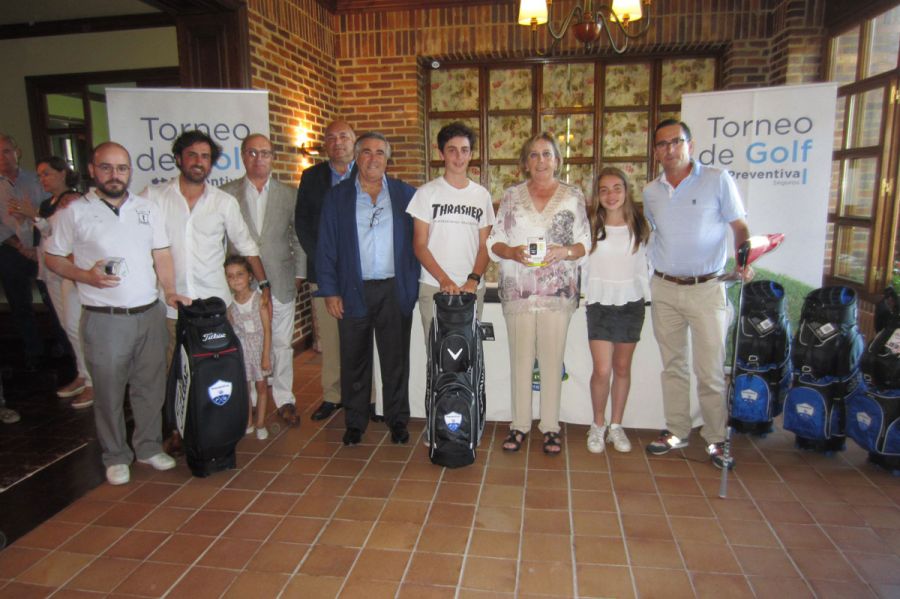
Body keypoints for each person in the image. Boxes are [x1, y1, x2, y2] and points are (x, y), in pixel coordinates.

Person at [45, 142, 188, 485]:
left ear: (129, 171)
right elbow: (52, 257)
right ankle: (115, 455)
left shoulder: (146, 209)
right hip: (104, 317)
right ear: (92, 170)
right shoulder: (74, 212)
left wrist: (168, 291)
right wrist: (86, 276)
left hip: (149, 312)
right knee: (108, 390)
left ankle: (149, 447)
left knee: (150, 386)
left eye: (121, 168)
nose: (115, 175)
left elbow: (161, 253)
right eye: (106, 167)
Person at [144, 130, 270, 452]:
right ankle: (177, 430)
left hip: (215, 307)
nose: (199, 162)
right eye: (192, 155)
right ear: (178, 159)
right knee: (175, 371)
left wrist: (264, 283)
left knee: (215, 369)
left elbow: (246, 244)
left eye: (205, 157)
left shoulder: (223, 203)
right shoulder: (153, 198)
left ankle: (215, 425)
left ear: (211, 164)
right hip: (173, 305)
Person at [643, 119, 752, 469]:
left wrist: (744, 260)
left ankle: (716, 440)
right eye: (662, 144)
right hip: (664, 287)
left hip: (707, 287)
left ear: (690, 144)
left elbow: (740, 227)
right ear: (656, 150)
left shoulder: (717, 180)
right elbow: (654, 233)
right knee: (673, 366)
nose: (669, 149)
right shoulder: (651, 192)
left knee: (710, 371)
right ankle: (676, 430)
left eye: (676, 142)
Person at [487, 132, 590, 456]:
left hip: (557, 292)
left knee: (550, 361)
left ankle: (550, 427)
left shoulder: (573, 196)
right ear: (526, 162)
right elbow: (494, 242)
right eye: (534, 155)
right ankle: (519, 425)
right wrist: (512, 252)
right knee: (520, 361)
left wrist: (565, 252)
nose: (540, 160)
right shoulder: (512, 195)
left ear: (557, 160)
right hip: (518, 291)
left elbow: (585, 244)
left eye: (546, 154)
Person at [316, 132, 419, 446]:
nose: (373, 159)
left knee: (395, 360)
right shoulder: (338, 197)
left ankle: (397, 419)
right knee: (354, 360)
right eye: (366, 153)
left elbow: (422, 242)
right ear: (356, 157)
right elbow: (326, 247)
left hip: (393, 289)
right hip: (352, 290)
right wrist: (331, 292)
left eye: (380, 153)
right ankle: (355, 422)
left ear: (388, 160)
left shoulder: (405, 195)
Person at [221, 134, 304, 427]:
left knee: (281, 342)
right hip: (241, 285)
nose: (259, 159)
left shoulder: (289, 194)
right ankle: (251, 401)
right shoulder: (225, 193)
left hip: (280, 281)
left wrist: (299, 274)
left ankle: (284, 398)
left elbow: (298, 236)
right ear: (243, 156)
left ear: (273, 158)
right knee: (245, 343)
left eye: (265, 153)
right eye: (253, 153)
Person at [407, 121, 494, 346]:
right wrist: (443, 279)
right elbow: (419, 244)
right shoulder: (426, 194)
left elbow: (486, 246)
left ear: (471, 154)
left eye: (464, 150)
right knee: (438, 360)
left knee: (468, 358)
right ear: (441, 153)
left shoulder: (481, 196)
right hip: (434, 286)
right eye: (452, 150)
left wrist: (473, 280)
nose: (459, 157)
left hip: (472, 289)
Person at [584, 166, 650, 454]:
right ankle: (597, 425)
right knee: (602, 369)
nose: (611, 195)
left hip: (631, 304)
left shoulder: (641, 226)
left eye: (616, 188)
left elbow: (648, 266)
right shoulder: (590, 227)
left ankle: (616, 426)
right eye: (604, 190)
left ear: (626, 191)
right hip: (599, 303)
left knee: (622, 368)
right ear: (597, 196)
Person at [296, 120, 356, 421]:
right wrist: (324, 260)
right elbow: (303, 224)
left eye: (344, 136)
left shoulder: (370, 172)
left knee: (361, 337)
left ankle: (365, 397)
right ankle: (333, 396)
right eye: (331, 138)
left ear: (354, 141)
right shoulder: (311, 177)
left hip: (362, 273)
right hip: (324, 271)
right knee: (330, 340)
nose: (337, 142)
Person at [30, 157, 94, 408]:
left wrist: (33, 216)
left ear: (62, 173)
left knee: (77, 326)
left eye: (47, 173)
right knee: (68, 326)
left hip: (75, 270)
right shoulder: (49, 203)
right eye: (40, 175)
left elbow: (73, 235)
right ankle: (82, 374)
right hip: (55, 271)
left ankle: (92, 382)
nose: (43, 179)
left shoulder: (74, 201)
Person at [0, 133, 49, 371]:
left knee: (52, 298)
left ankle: (63, 347)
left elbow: (52, 211)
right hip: (10, 249)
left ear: (17, 152)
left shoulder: (36, 179)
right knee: (20, 304)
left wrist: (36, 245)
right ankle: (33, 351)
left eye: (7, 151)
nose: (3, 158)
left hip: (42, 245)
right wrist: (21, 247)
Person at [225, 255, 272, 440]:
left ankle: (260, 423)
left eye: (240, 274)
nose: (235, 279)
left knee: (261, 387)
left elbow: (267, 331)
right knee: (243, 388)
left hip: (259, 348)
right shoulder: (229, 304)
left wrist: (266, 355)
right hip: (241, 352)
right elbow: (231, 330)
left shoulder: (259, 299)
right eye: (230, 276)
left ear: (250, 276)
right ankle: (248, 422)